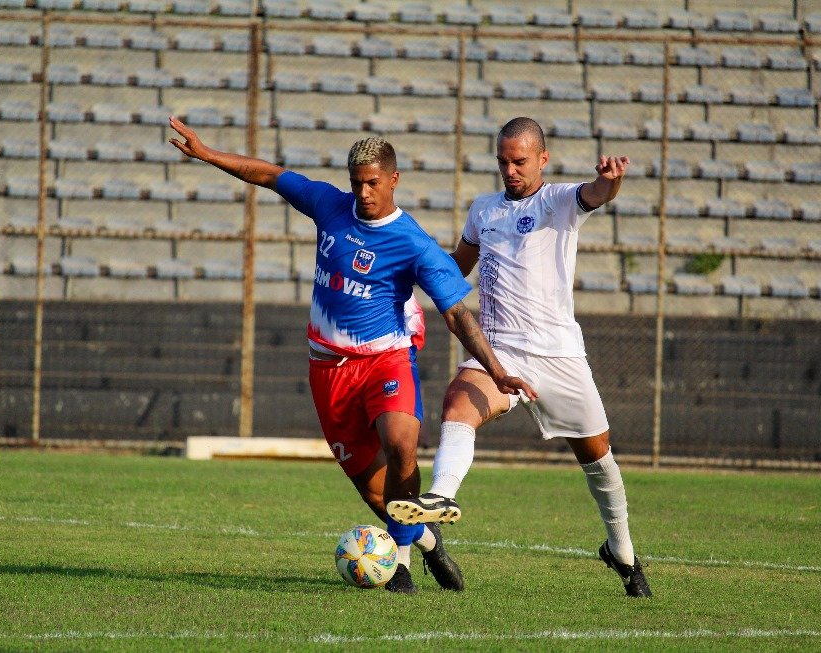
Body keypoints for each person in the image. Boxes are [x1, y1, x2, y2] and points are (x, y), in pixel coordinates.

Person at [168, 117, 536, 594]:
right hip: (328, 370)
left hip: (386, 359)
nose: (363, 193)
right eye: (357, 183)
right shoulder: (330, 207)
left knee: (402, 441)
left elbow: (457, 315)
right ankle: (427, 540)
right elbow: (271, 175)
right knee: (375, 491)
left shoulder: (414, 244)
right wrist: (208, 153)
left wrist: (498, 370)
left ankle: (399, 563)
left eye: (373, 184)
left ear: (394, 180)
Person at [386, 117, 652, 598]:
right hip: (501, 349)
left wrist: (610, 183)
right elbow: (453, 270)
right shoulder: (483, 210)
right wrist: (407, 281)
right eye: (503, 161)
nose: (510, 170)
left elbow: (594, 194)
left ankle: (623, 551)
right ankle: (442, 495)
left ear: (543, 159)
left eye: (520, 161)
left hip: (559, 355)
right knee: (458, 404)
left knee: (599, 461)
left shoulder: (558, 201)